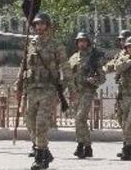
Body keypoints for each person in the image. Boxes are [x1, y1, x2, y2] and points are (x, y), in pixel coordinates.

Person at [16, 13, 73, 170]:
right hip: (32, 88)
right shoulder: (31, 43)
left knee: (41, 124)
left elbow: (65, 66)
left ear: (48, 26)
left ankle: (40, 157)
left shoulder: (56, 45)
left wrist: (67, 87)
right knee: (29, 122)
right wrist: (18, 83)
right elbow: (24, 64)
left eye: (42, 24)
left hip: (48, 89)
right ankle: (44, 150)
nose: (39, 27)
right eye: (36, 25)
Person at [67, 32, 105, 159]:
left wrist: (94, 80)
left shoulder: (94, 58)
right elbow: (69, 75)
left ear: (88, 42)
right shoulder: (73, 57)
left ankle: (80, 145)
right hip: (76, 92)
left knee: (80, 118)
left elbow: (102, 77)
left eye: (84, 41)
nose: (82, 43)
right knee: (80, 120)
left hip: (87, 91)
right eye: (79, 41)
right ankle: (87, 147)